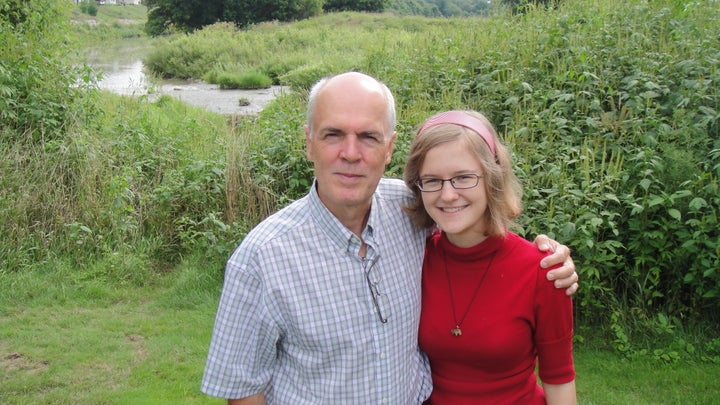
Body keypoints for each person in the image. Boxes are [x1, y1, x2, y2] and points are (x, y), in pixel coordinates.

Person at [201, 72, 579, 404]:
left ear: (389, 147)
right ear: (309, 142)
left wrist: (549, 256)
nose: (351, 153)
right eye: (333, 134)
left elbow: (475, 226)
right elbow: (244, 387)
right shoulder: (260, 259)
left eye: (368, 136)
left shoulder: (410, 211)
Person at [404, 110, 577, 404]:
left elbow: (558, 379)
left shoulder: (544, 270)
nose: (447, 195)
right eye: (432, 180)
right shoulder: (414, 258)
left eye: (463, 178)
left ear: (492, 177)